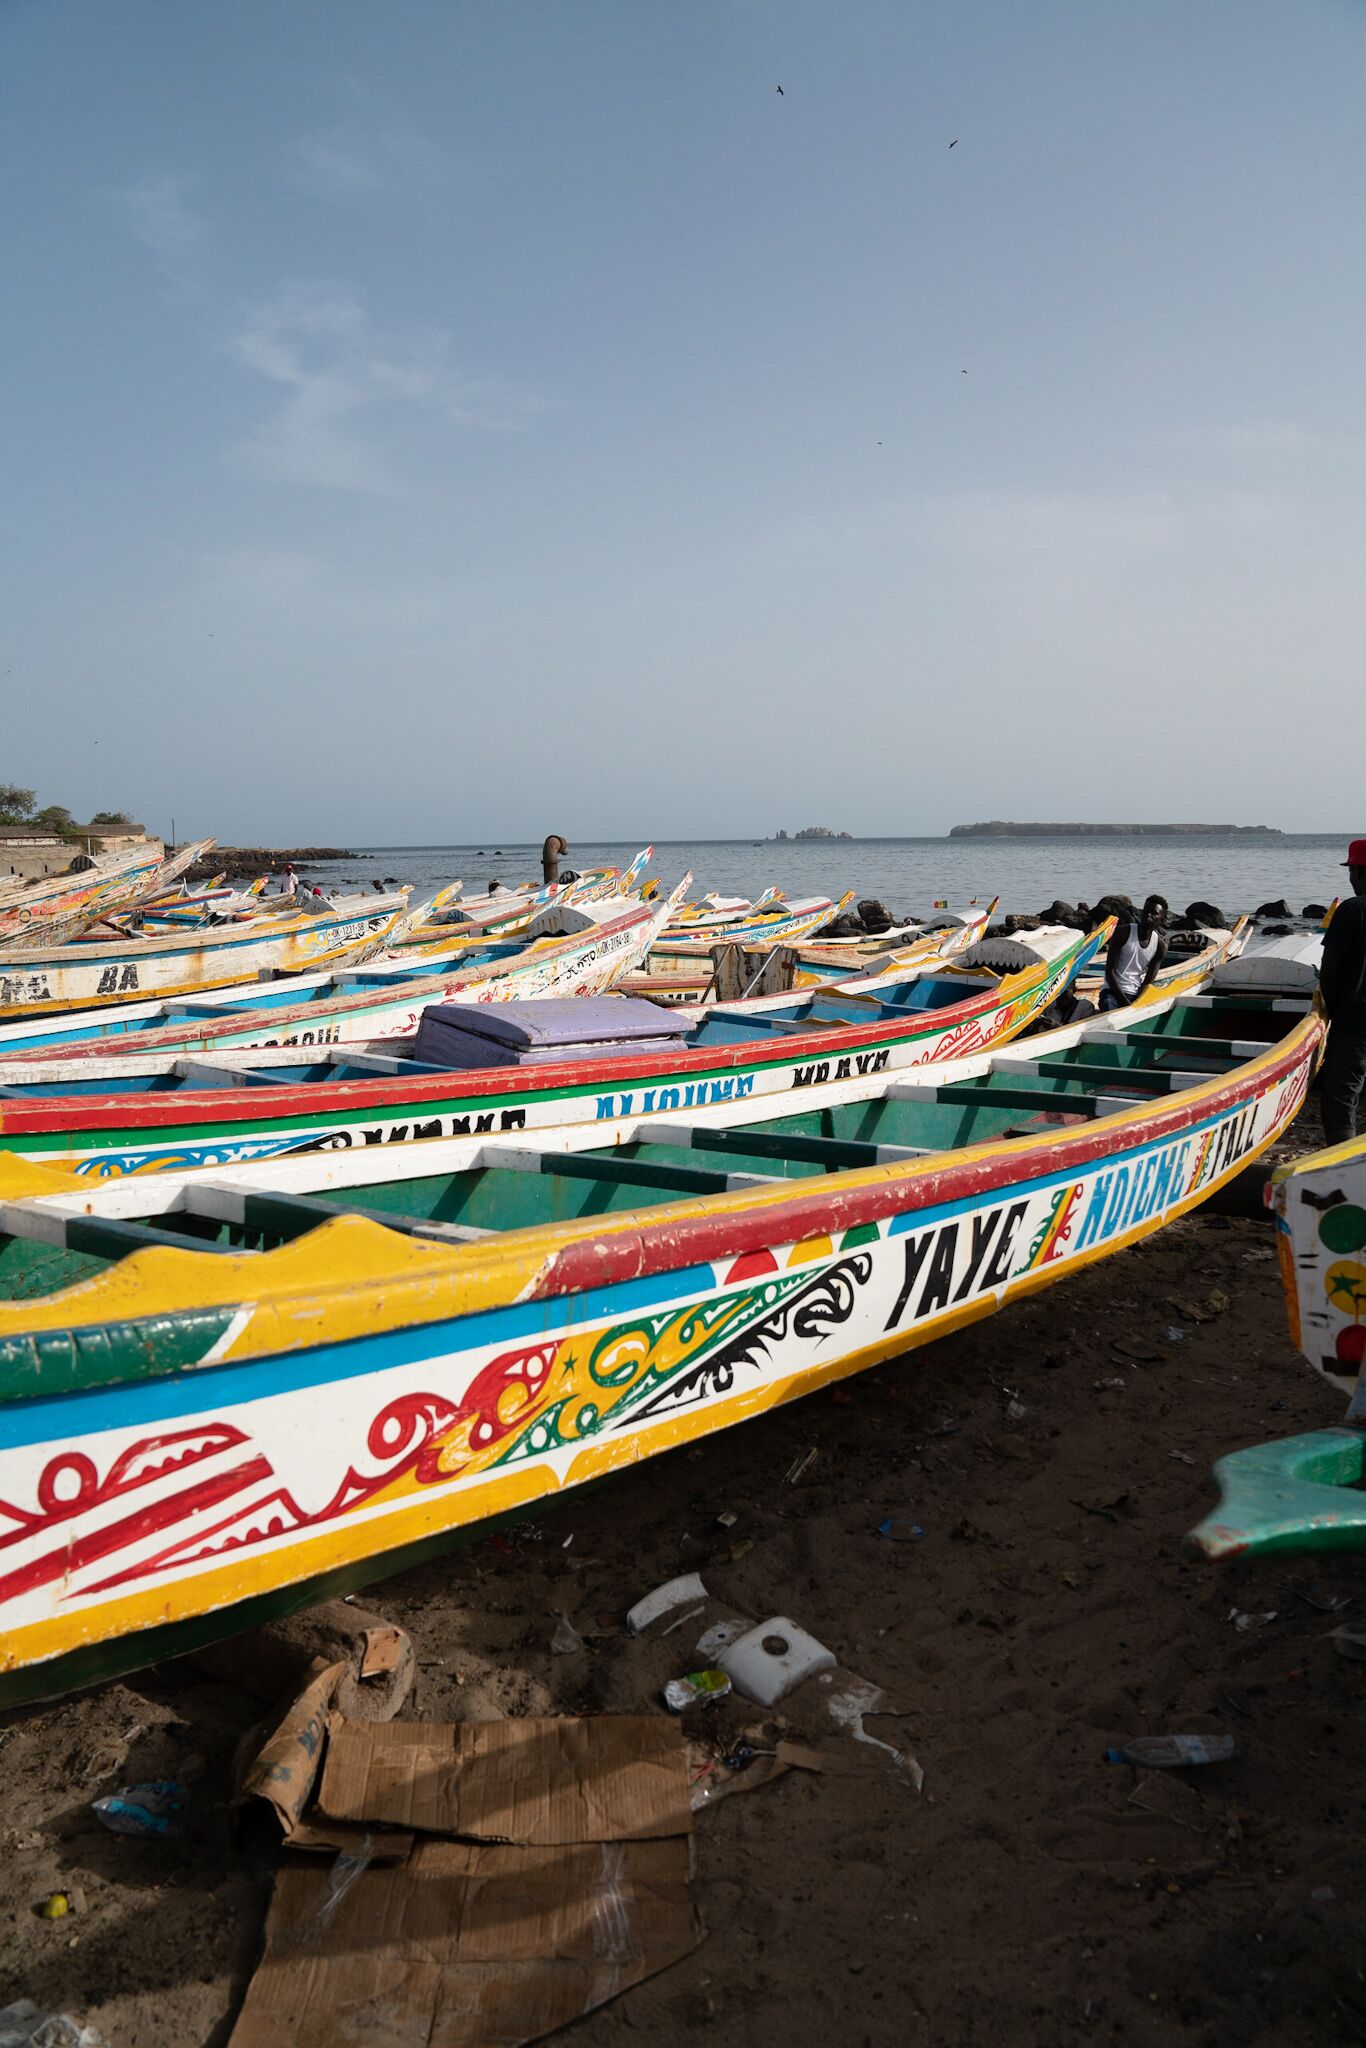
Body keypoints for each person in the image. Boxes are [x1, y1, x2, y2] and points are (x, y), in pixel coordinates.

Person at [1319, 841, 1366, 1147]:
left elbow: (1330, 966)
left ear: (1359, 872)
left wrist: (1329, 1010)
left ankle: (1341, 1162)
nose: (1349, 878)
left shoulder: (1351, 910)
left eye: (1351, 870)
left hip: (1354, 1020)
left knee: (1341, 1096)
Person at [1099, 894, 1168, 1011]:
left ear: (1161, 920)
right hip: (1112, 992)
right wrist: (1126, 1003)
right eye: (1146, 911)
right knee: (1109, 1010)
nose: (1148, 916)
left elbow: (1148, 982)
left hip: (1135, 994)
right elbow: (1109, 972)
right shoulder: (1123, 933)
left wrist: (1137, 1002)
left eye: (1154, 913)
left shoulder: (1160, 946)